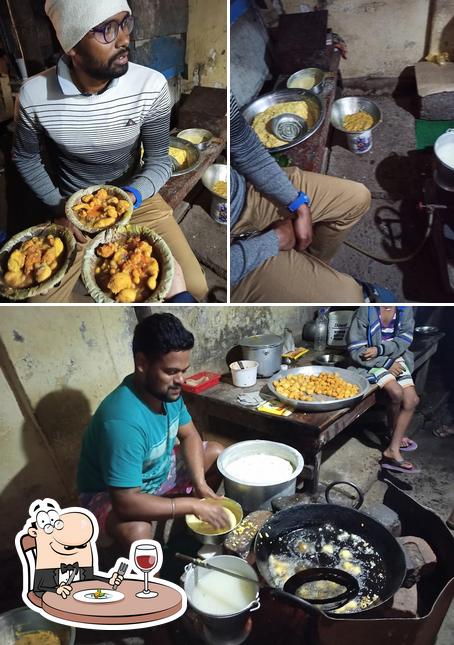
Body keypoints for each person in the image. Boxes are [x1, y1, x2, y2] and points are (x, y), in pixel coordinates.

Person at [11, 0, 207, 302]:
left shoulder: (150, 86)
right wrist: (58, 207)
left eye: (125, 22)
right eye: (106, 29)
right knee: (36, 300)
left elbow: (159, 160)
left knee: (194, 288)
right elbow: (25, 157)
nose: (124, 38)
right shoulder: (34, 94)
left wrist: (131, 197)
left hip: (134, 197)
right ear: (72, 46)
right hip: (71, 206)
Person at [77, 313, 228, 552]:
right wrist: (192, 505)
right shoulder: (121, 422)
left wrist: (199, 484)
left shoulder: (167, 391)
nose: (180, 380)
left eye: (183, 370)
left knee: (216, 453)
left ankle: (182, 535)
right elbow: (125, 503)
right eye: (171, 371)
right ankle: (151, 584)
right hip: (110, 495)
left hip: (154, 472)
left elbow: (189, 435)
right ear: (142, 363)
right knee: (139, 533)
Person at [230, 93, 377, 303]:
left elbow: (246, 149)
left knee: (357, 198)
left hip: (244, 194)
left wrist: (299, 204)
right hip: (235, 259)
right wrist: (273, 241)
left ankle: (311, 264)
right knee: (351, 296)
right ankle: (300, 273)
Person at [347, 306, 420, 473]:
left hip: (394, 356)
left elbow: (404, 339)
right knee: (396, 392)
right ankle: (394, 442)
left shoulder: (404, 309)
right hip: (370, 362)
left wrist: (382, 350)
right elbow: (356, 349)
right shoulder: (366, 311)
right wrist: (385, 362)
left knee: (412, 400)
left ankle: (392, 445)